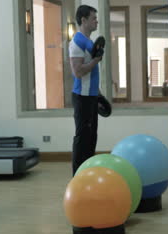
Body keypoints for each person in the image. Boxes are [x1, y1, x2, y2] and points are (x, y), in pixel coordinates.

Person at [69, 5, 102, 175]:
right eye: (93, 18)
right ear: (83, 20)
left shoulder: (88, 41)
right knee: (82, 138)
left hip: (91, 96)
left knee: (91, 137)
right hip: (82, 97)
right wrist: (96, 60)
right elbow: (78, 71)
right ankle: (77, 177)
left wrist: (98, 94)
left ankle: (88, 173)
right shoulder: (77, 42)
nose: (96, 21)